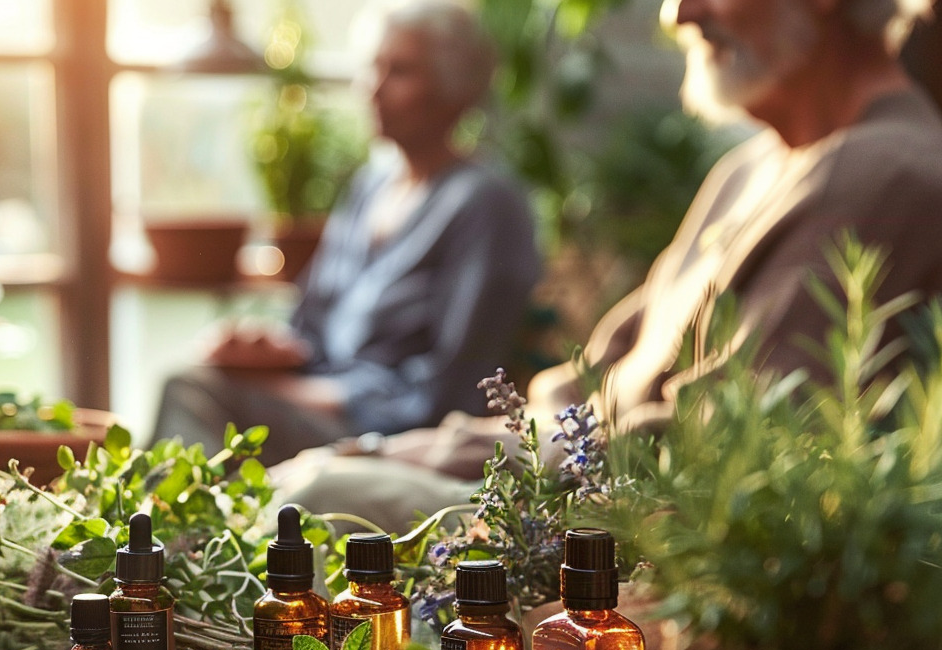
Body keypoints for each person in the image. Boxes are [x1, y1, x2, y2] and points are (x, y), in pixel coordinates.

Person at [273, 0, 942, 529]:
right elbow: (591, 377)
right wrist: (436, 445)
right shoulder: (748, 170)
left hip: (639, 533)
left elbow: (733, 444)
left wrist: (439, 451)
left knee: (311, 501)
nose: (679, 14)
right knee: (293, 481)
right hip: (566, 475)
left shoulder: (884, 173)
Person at [148, 0, 540, 465]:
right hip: (314, 400)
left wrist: (293, 390)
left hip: (386, 431)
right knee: (197, 377)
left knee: (192, 392)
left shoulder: (487, 205)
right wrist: (265, 350)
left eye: (400, 71)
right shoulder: (370, 185)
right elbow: (308, 321)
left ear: (453, 88)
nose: (373, 88)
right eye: (373, 67)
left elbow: (450, 386)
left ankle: (179, 531)